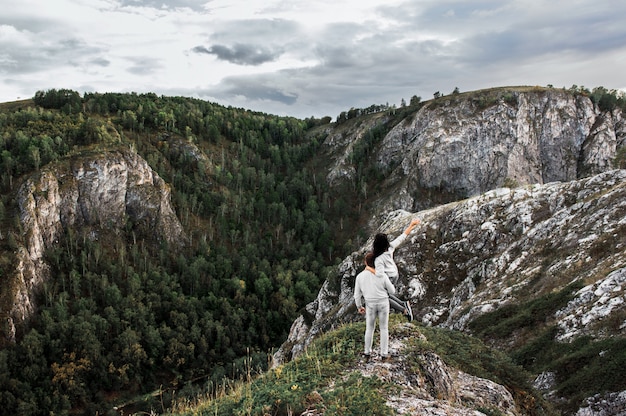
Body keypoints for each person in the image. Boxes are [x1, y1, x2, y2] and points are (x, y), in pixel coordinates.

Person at [372, 218, 421, 322]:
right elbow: (402, 237)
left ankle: (404, 310)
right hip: (395, 275)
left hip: (387, 277)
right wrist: (412, 225)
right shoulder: (390, 248)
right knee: (387, 294)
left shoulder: (378, 258)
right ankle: (404, 304)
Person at [354, 252, 395, 360]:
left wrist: (359, 306)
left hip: (370, 304)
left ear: (365, 262)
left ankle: (367, 351)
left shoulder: (360, 277)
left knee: (370, 328)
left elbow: (357, 295)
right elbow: (392, 291)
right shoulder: (381, 275)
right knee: (384, 328)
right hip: (383, 303)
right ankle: (384, 353)